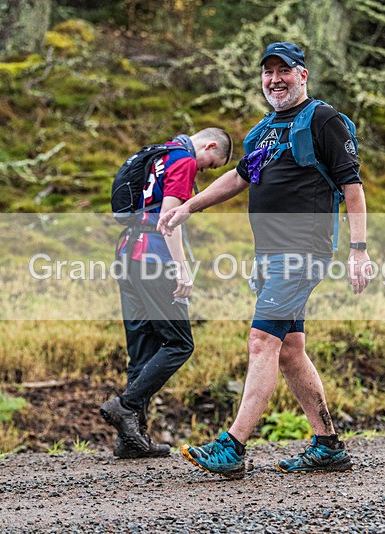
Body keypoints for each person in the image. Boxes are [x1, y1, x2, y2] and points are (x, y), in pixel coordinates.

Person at [157, 42, 372, 478]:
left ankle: (232, 446)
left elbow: (352, 186)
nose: (275, 79)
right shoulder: (264, 129)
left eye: (284, 71)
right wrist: (187, 208)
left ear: (303, 75)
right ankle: (328, 445)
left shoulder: (324, 120)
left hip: (304, 250)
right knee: (291, 350)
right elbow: (238, 178)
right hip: (273, 255)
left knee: (261, 341)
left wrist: (358, 250)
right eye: (268, 72)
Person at [100, 128, 233, 459]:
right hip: (154, 255)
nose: (203, 170)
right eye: (211, 164)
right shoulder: (184, 159)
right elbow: (169, 218)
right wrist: (181, 268)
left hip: (127, 254)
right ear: (210, 145)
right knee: (179, 343)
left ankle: (130, 440)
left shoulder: (159, 154)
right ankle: (125, 406)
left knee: (142, 347)